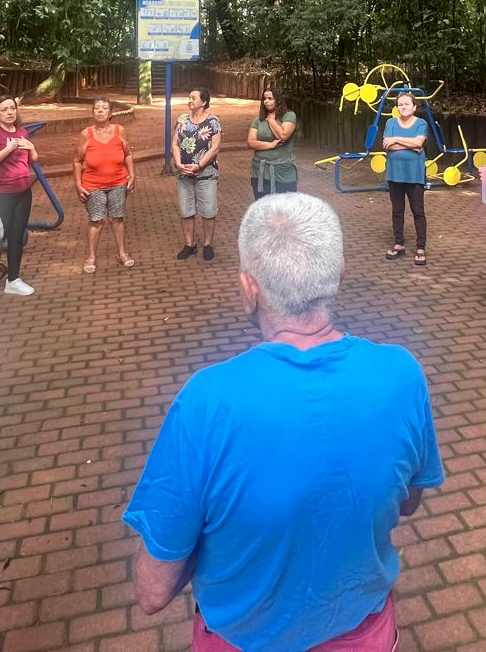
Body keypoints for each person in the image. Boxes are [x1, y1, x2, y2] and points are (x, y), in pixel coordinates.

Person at [125, 193, 444, 652]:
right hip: (366, 634)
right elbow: (409, 501)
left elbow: (153, 591)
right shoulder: (402, 373)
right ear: (338, 272)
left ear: (249, 288)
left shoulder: (207, 401)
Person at [0, 95, 39, 296]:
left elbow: (31, 161)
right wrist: (7, 148)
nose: (10, 112)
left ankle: (13, 279)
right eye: (4, 109)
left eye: (12, 108)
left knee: (16, 236)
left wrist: (32, 148)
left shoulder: (22, 132)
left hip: (22, 192)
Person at [73, 98, 135, 273]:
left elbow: (128, 154)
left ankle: (123, 253)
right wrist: (78, 184)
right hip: (93, 185)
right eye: (97, 108)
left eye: (104, 108)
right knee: (97, 220)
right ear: (93, 112)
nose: (100, 111)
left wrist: (133, 175)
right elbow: (77, 161)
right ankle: (91, 256)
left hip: (118, 183)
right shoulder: (86, 134)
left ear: (110, 113)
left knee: (117, 218)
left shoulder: (119, 131)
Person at [382, 91, 430, 266]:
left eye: (407, 104)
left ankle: (420, 248)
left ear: (414, 107)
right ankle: (399, 244)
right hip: (394, 174)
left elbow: (419, 143)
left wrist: (396, 139)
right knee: (397, 211)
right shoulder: (390, 122)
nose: (403, 107)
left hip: (414, 174)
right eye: (400, 104)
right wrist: (410, 144)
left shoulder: (421, 123)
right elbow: (387, 145)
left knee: (418, 211)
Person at [174, 87, 221, 261]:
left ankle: (207, 244)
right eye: (189, 97)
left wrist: (199, 165)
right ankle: (189, 244)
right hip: (183, 174)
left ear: (204, 102)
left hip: (207, 173)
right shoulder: (182, 120)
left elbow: (215, 148)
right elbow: (175, 144)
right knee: (186, 210)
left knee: (208, 210)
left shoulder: (213, 121)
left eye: (193, 98)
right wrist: (179, 164)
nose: (190, 100)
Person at [247, 86, 299, 198]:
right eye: (264, 99)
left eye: (270, 98)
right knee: (263, 208)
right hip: (260, 170)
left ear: (278, 100)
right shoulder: (258, 120)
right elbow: (250, 142)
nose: (266, 101)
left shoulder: (289, 116)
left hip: (283, 172)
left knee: (285, 207)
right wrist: (270, 145)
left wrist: (271, 120)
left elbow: (283, 136)